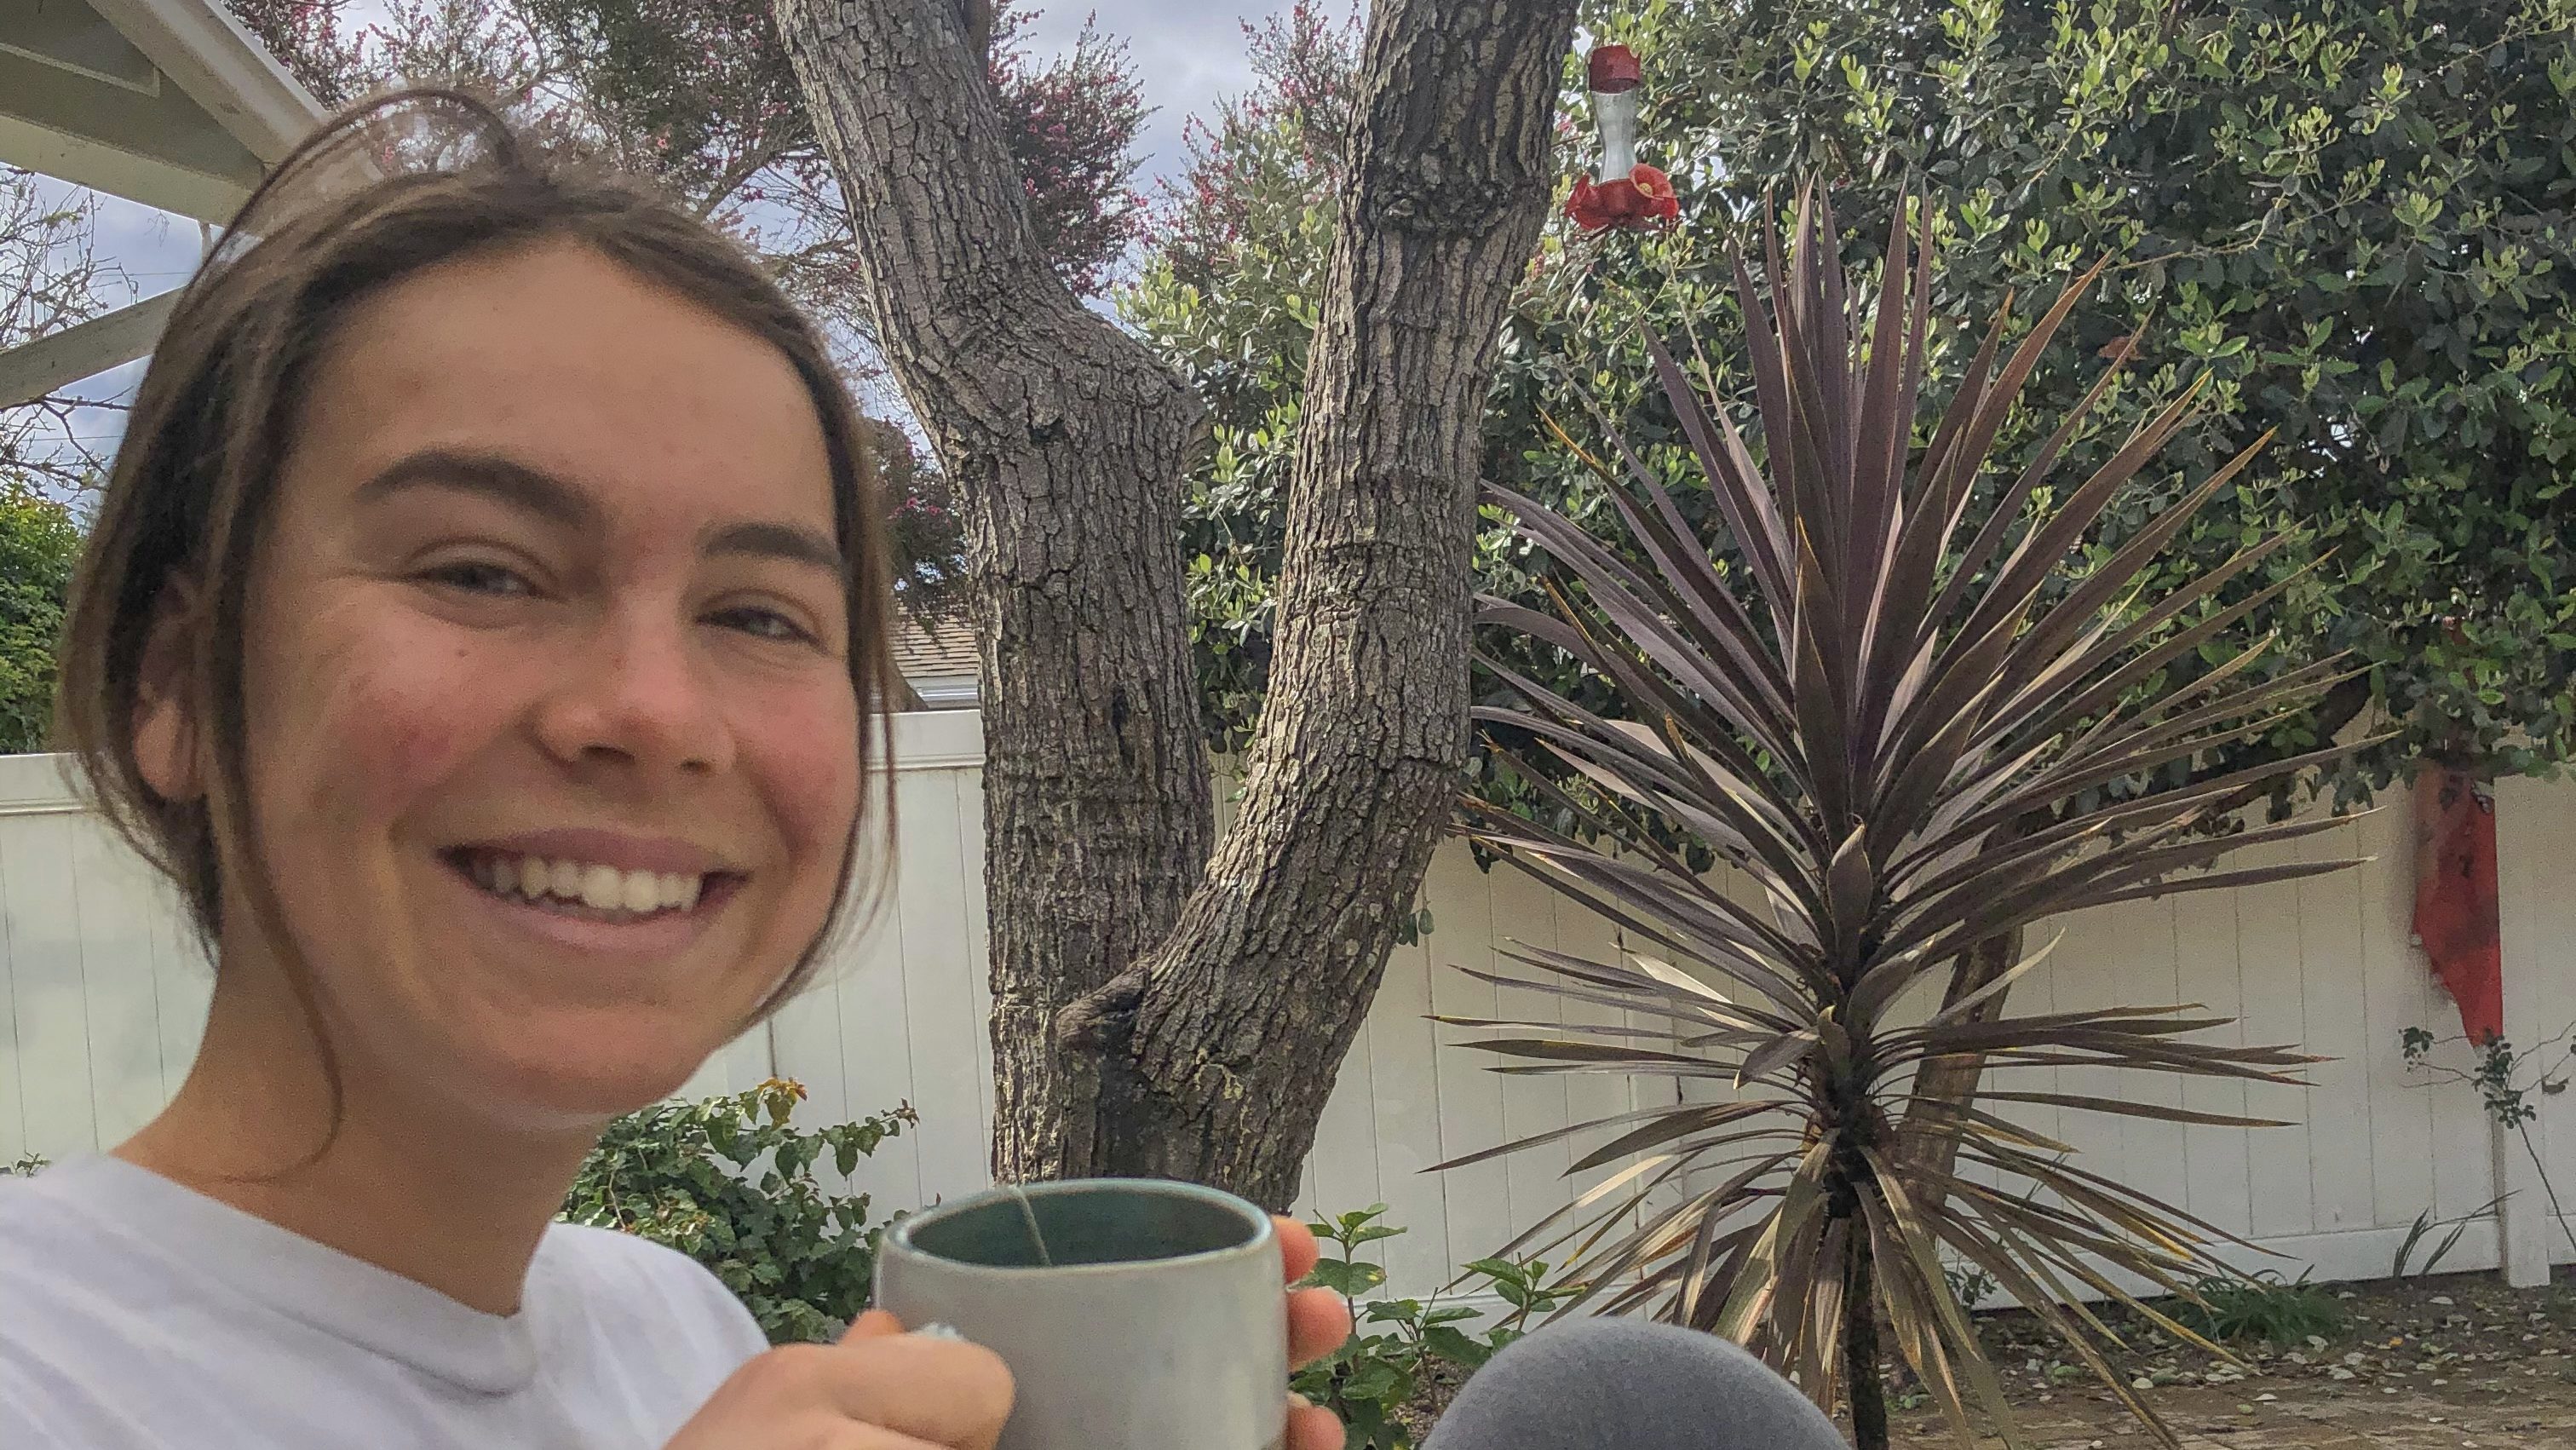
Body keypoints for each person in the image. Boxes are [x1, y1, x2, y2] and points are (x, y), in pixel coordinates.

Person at [0, 89, 1848, 1450]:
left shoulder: (671, 1330)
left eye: (761, 611)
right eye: (482, 567)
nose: (657, 708)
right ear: (175, 679)